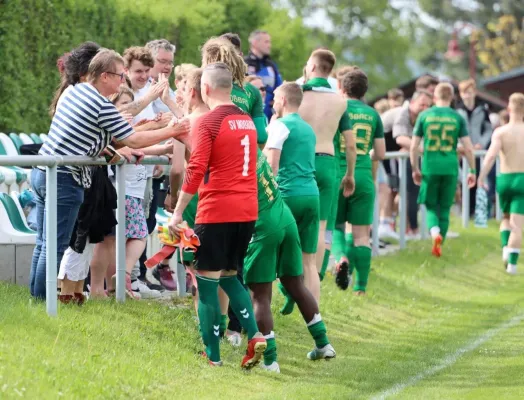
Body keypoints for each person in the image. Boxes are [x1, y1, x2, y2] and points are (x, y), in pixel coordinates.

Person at [30, 49, 189, 300]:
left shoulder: (75, 90)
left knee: (44, 244)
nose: (122, 82)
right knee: (55, 246)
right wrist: (174, 129)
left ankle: (36, 301)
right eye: (119, 76)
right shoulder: (99, 103)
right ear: (104, 76)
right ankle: (41, 303)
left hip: (43, 172)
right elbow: (132, 139)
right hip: (64, 178)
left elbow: (103, 131)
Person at [168, 63, 266, 368]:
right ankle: (256, 336)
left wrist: (177, 213)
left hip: (217, 210)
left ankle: (213, 356)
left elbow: (196, 168)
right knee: (231, 277)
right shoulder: (247, 120)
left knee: (206, 283)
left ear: (205, 89)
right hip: (247, 211)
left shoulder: (209, 121)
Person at [244, 149, 335, 373]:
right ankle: (323, 343)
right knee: (295, 284)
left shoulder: (230, 151)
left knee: (260, 295)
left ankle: (270, 360)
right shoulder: (250, 144)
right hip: (285, 216)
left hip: (264, 224)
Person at [299, 49, 356, 304]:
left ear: (311, 66)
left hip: (300, 163)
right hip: (328, 163)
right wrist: (350, 174)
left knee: (294, 225)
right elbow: (351, 144)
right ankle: (315, 281)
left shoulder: (297, 94)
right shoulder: (340, 101)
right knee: (321, 229)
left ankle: (290, 284)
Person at [264, 82, 319, 315]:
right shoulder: (308, 128)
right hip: (312, 194)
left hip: (288, 194)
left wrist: (266, 194)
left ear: (284, 101)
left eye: (275, 98)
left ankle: (289, 293)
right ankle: (314, 315)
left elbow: (271, 164)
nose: (272, 102)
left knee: (274, 253)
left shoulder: (279, 125)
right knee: (309, 261)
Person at [333, 67, 385, 294]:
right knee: (362, 234)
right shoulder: (373, 114)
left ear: (342, 88)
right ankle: (361, 287)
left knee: (335, 226)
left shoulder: (336, 109)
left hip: (337, 172)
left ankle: (341, 258)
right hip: (362, 174)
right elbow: (381, 153)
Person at [410, 83, 476, 258]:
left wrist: (415, 168)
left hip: (430, 166)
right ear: (452, 97)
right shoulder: (457, 117)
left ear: (434, 97)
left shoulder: (424, 115)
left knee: (431, 206)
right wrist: (472, 170)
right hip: (450, 167)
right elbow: (468, 147)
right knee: (445, 208)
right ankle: (440, 243)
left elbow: (414, 146)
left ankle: (434, 233)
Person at [478, 93, 524, 274]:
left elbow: (490, 156)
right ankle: (512, 264)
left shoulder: (501, 132)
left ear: (509, 109)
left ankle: (505, 247)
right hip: (522, 179)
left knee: (505, 218)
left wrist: (481, 176)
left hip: (505, 179)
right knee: (517, 224)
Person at [203, 36, 267, 147]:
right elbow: (261, 137)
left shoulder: (205, 86)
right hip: (253, 160)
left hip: (221, 157)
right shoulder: (252, 90)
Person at [393, 91, 433, 238]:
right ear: (412, 103)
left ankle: (407, 227)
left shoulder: (425, 117)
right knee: (404, 190)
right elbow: (400, 139)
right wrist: (419, 148)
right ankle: (411, 228)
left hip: (403, 154)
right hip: (384, 151)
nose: (424, 108)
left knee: (409, 190)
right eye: (421, 105)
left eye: (428, 105)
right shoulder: (403, 113)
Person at [456, 79, 494, 217]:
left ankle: (477, 212)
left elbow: (488, 130)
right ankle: (464, 211)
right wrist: (461, 145)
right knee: (463, 180)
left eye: (470, 92)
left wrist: (481, 143)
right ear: (460, 94)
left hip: (477, 152)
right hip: (462, 152)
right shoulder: (456, 109)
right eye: (465, 92)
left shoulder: (483, 109)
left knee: (478, 179)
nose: (467, 95)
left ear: (474, 92)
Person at [245, 30, 282, 120]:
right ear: (255, 43)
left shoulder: (272, 66)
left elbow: (280, 89)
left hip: (269, 118)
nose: (269, 45)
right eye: (266, 42)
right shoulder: (244, 63)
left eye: (269, 42)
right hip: (247, 115)